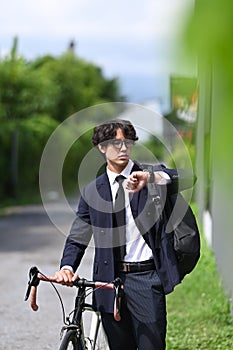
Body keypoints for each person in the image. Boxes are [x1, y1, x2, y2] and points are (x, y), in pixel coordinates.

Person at [50, 119, 196, 350]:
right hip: (107, 281)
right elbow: (78, 236)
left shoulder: (149, 176)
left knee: (152, 346)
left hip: (146, 278)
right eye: (115, 143)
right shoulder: (92, 190)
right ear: (101, 147)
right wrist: (67, 266)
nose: (123, 148)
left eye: (127, 142)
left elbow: (188, 177)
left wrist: (151, 178)